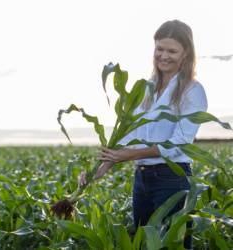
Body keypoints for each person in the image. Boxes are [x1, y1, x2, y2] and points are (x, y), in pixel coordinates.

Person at [79, 19, 207, 249]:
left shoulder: (192, 90)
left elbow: (180, 142)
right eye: (160, 49)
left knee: (171, 246)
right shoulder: (146, 89)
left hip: (172, 180)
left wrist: (126, 157)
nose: (164, 56)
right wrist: (98, 171)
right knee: (142, 244)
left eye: (172, 51)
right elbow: (129, 137)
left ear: (186, 53)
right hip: (142, 179)